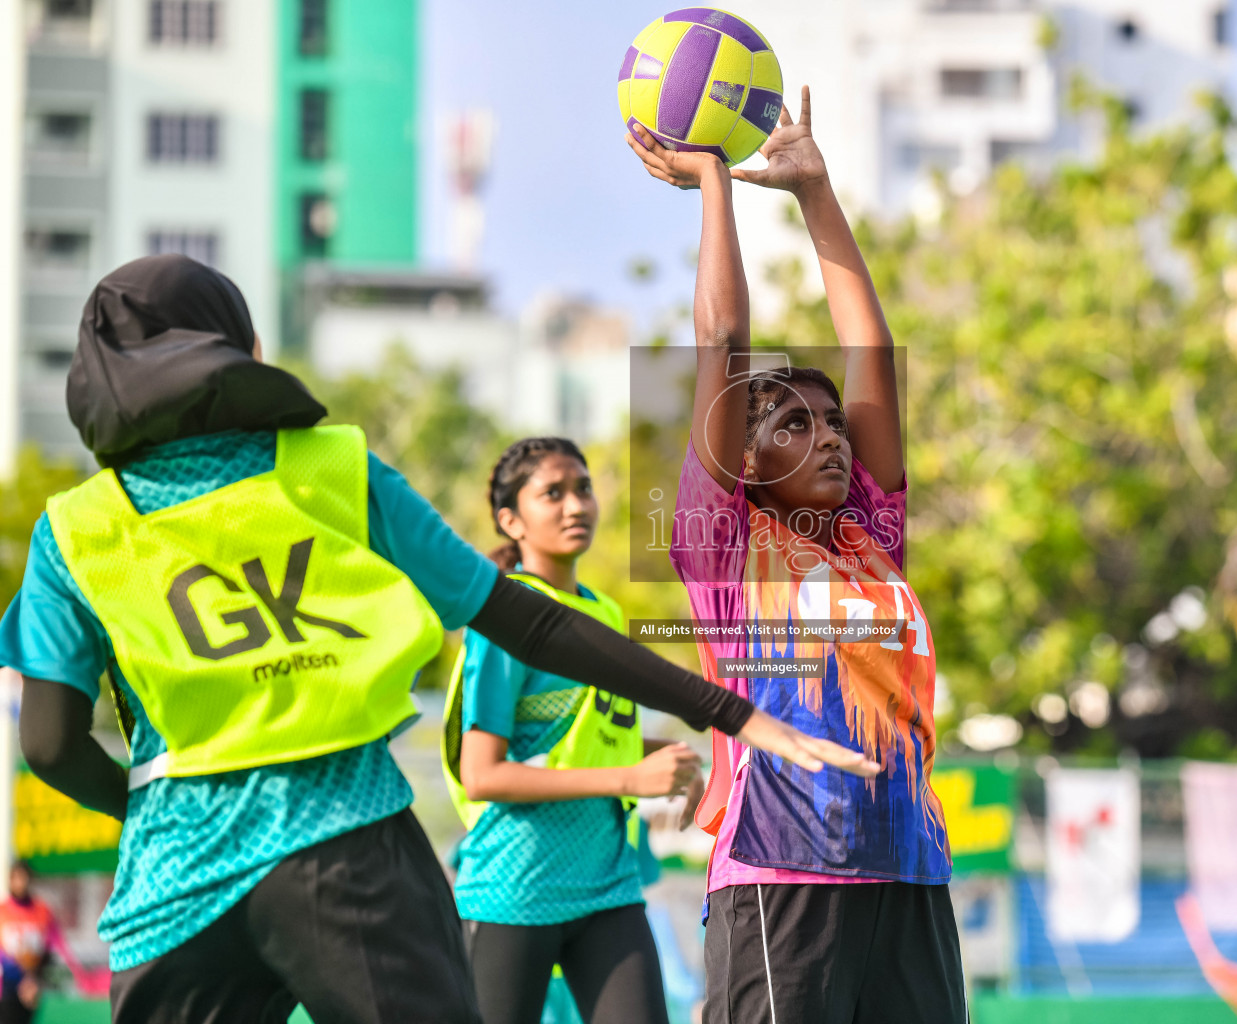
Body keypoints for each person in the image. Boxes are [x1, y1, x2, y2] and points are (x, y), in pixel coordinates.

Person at [0, 255, 879, 1024]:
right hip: (346, 846)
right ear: (236, 351)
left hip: (176, 874)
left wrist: (150, 808)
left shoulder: (76, 529)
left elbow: (46, 742)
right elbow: (526, 619)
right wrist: (729, 711)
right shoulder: (330, 466)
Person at [628, 87, 966, 1023]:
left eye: (831, 422)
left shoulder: (872, 538)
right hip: (782, 873)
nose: (827, 436)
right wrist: (711, 184)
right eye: (791, 421)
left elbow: (872, 351)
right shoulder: (725, 546)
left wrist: (815, 191)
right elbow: (723, 342)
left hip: (908, 868)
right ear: (741, 455)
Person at [442, 436, 702, 1024]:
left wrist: (673, 761)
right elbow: (482, 774)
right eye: (552, 493)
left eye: (583, 488)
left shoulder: (605, 612)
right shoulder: (503, 617)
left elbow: (591, 742)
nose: (575, 505)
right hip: (515, 889)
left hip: (608, 885)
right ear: (512, 521)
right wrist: (630, 777)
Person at [0, 862, 96, 1024]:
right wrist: (22, 980)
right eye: (16, 878)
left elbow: (53, 947)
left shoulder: (41, 911)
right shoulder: (3, 912)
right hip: (8, 987)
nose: (20, 883)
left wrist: (33, 979)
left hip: (34, 986)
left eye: (24, 878)